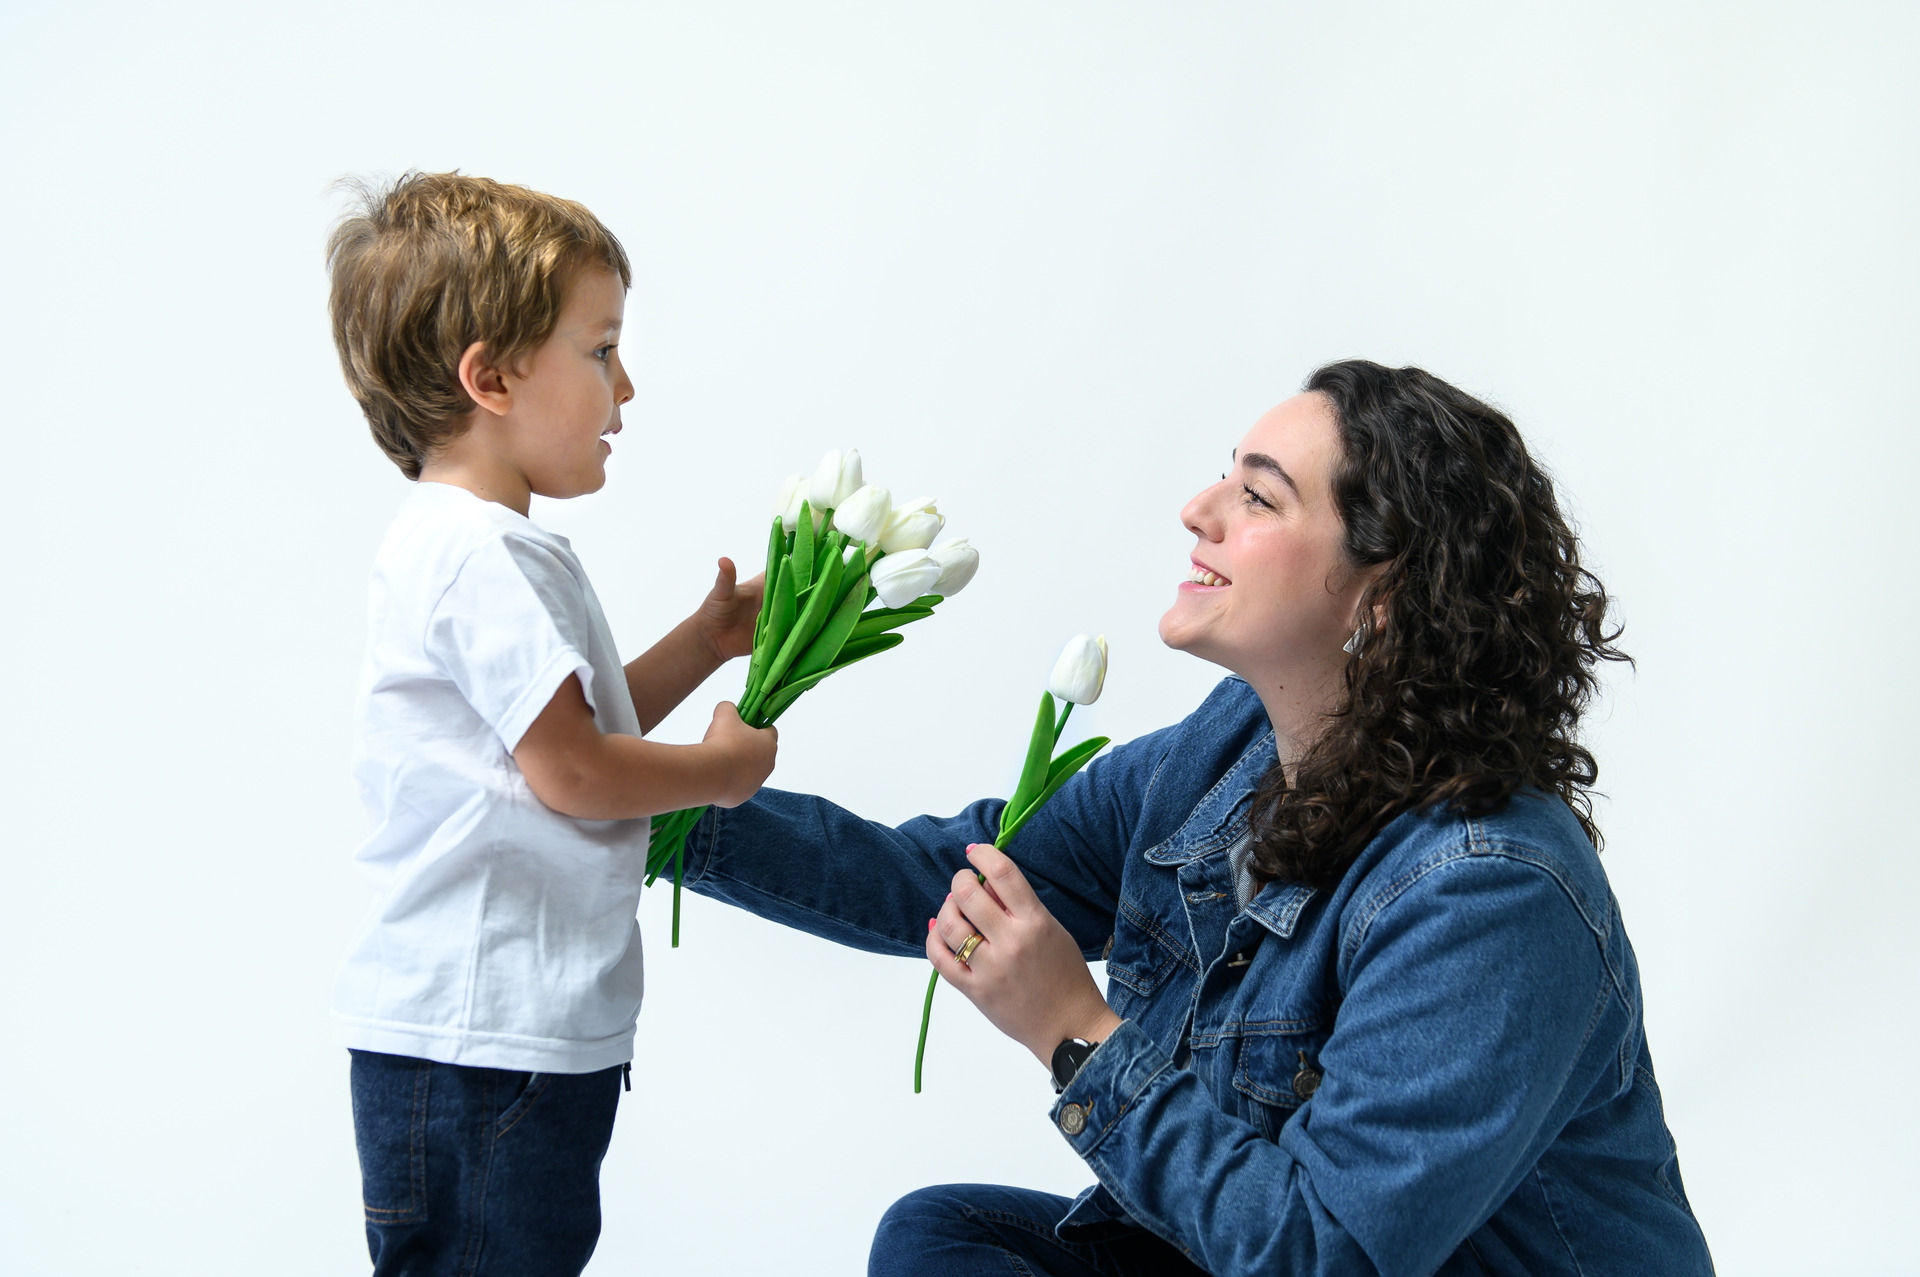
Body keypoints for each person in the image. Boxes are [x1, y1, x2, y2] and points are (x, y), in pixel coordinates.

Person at [670, 361, 1716, 1275]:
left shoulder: (1488, 888)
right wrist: (649, 809)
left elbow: (1323, 1251)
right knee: (947, 1237)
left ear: (1381, 595)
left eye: (1258, 498)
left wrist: (1076, 1033)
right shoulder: (1226, 753)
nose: (1198, 508)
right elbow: (948, 875)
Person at [325, 172, 777, 1276]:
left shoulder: (470, 544)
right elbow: (572, 769)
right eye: (601, 348)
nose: (629, 383)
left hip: (482, 1036)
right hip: (484, 1040)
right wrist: (715, 770)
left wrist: (702, 642)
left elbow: (567, 725)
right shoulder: (476, 552)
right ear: (490, 376)